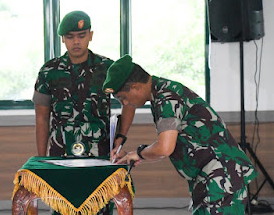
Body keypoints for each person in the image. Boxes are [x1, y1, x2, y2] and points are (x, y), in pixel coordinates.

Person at [105, 55, 258, 215]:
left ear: (136, 87)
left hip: (221, 175)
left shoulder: (166, 97)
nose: (124, 103)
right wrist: (139, 155)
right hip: (211, 176)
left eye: (122, 97)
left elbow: (164, 148)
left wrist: (138, 154)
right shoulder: (161, 92)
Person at [32, 10, 114, 215]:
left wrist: (120, 139)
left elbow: (130, 100)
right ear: (62, 39)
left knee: (100, 207)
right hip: (62, 153)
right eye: (70, 37)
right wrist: (43, 160)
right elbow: (42, 117)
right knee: (63, 207)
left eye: (81, 36)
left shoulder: (107, 68)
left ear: (91, 35)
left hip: (99, 154)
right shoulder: (49, 71)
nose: (76, 42)